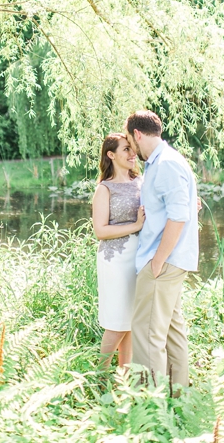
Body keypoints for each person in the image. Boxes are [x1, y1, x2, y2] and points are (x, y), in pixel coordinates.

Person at [124, 109, 199, 389]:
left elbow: (179, 216)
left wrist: (158, 260)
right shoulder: (160, 163)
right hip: (170, 260)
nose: (131, 148)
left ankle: (150, 410)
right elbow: (181, 206)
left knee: (146, 335)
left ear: (138, 134)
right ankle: (179, 401)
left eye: (131, 142)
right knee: (171, 333)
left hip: (163, 261)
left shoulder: (166, 163)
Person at [91, 133, 145, 368]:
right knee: (117, 321)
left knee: (131, 322)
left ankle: (124, 377)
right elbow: (100, 231)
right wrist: (135, 226)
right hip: (115, 261)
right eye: (126, 149)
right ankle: (100, 375)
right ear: (111, 155)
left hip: (139, 258)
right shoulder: (105, 189)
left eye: (133, 149)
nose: (133, 154)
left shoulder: (140, 182)